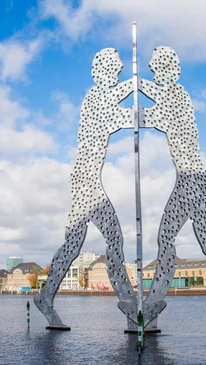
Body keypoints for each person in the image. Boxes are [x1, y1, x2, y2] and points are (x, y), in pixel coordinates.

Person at [138, 46, 206, 326]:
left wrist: (133, 86)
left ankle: (152, 304)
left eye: (154, 69)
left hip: (190, 178)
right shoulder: (173, 96)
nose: (152, 73)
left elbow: (154, 115)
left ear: (166, 69)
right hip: (194, 176)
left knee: (166, 237)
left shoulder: (177, 96)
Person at [34, 48, 137, 327]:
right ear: (102, 72)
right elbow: (118, 117)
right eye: (114, 71)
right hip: (87, 182)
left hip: (85, 179)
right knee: (113, 241)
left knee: (73, 244)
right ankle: (130, 308)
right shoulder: (95, 97)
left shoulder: (101, 96)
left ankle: (45, 297)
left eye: (119, 72)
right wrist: (137, 87)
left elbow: (117, 102)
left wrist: (136, 86)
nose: (117, 76)